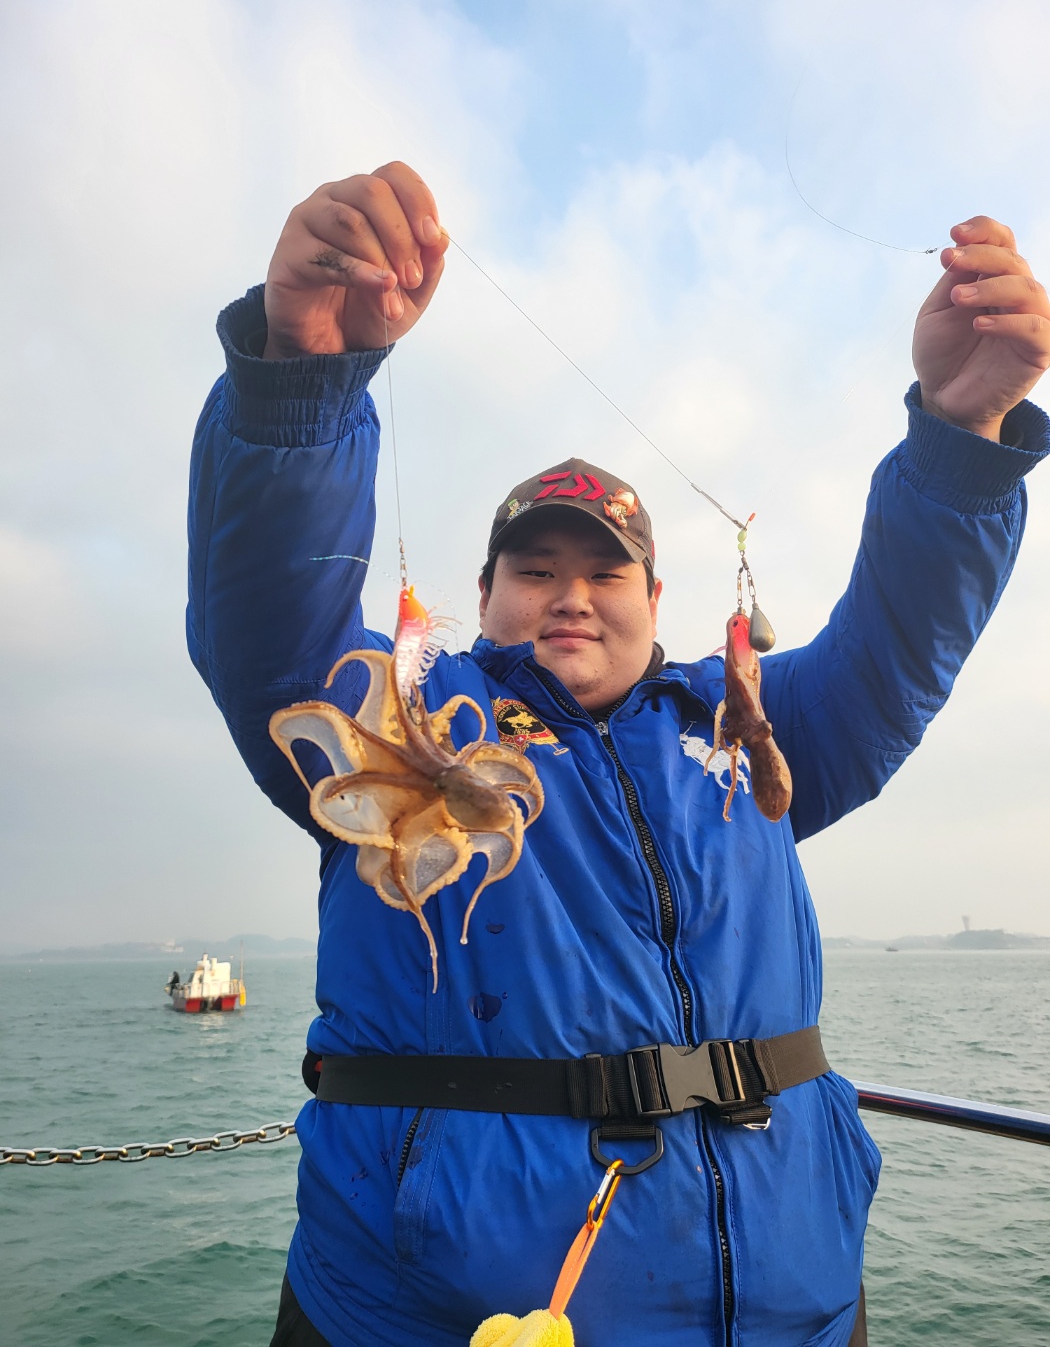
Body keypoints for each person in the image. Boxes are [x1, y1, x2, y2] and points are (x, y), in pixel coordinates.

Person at [187, 162, 1050, 1347]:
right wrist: (302, 376)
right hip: (438, 1314)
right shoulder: (401, 719)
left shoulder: (747, 724)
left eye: (606, 572)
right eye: (536, 569)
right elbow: (270, 625)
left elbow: (898, 647)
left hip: (800, 1304)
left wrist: (961, 436)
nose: (572, 596)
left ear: (657, 598)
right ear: (483, 592)